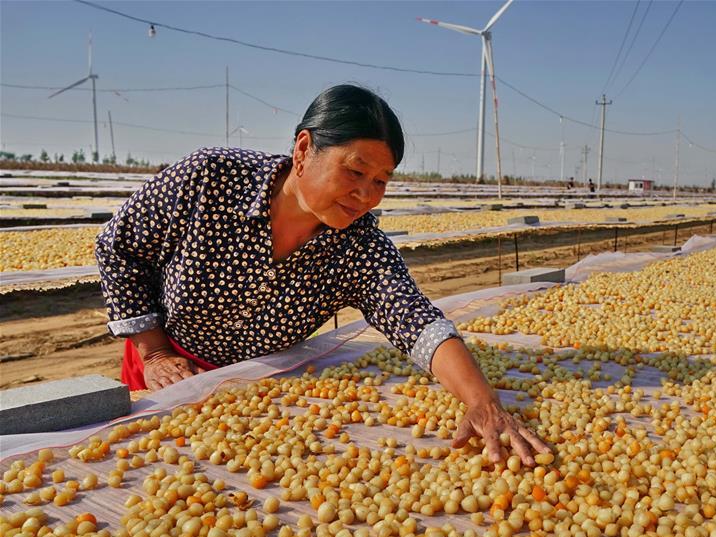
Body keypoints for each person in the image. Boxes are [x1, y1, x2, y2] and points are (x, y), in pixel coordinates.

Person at [95, 84, 549, 465]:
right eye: (355, 172)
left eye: (381, 181)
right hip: (167, 369)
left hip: (257, 394)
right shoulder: (212, 178)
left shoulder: (358, 246)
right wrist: (153, 352)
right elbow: (117, 247)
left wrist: (483, 402)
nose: (366, 195)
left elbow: (415, 321)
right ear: (304, 149)